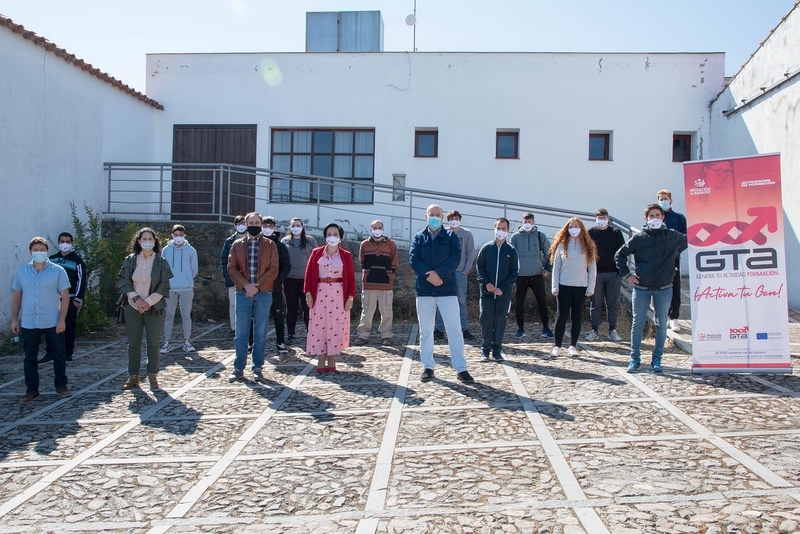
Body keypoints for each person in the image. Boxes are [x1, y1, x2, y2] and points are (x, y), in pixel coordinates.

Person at [615, 204, 687, 373]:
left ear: (663, 217)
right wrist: (627, 275)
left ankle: (657, 359)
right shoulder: (639, 238)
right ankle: (634, 359)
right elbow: (620, 255)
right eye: (651, 215)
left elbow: (691, 240)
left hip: (664, 288)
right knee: (637, 323)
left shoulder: (672, 236)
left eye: (657, 215)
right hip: (641, 288)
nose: (654, 218)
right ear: (646, 218)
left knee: (661, 324)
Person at [409, 204, 475, 384]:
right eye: (432, 214)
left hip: (446, 289)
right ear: (426, 216)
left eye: (438, 214)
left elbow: (455, 259)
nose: (435, 217)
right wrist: (429, 276)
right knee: (426, 331)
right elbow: (414, 260)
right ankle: (428, 367)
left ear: (443, 217)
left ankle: (461, 369)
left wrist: (439, 274)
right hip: (424, 291)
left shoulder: (452, 237)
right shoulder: (418, 237)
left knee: (454, 330)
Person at [11, 237, 72, 403]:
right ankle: (31, 389)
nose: (39, 253)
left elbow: (65, 297)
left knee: (58, 354)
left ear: (48, 251)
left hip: (52, 320)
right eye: (35, 250)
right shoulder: (22, 272)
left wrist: (62, 320)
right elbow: (17, 297)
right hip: (30, 321)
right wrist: (14, 319)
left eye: (42, 250)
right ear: (30, 252)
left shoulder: (58, 271)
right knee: (30, 356)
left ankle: (61, 385)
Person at [118, 228, 173, 390]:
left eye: (150, 238)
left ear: (155, 241)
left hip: (154, 306)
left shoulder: (161, 262)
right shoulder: (130, 260)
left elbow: (163, 286)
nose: (147, 241)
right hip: (133, 306)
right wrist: (136, 300)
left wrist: (147, 302)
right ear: (139, 241)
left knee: (153, 342)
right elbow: (125, 282)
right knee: (133, 342)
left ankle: (152, 375)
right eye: (144, 238)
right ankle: (133, 376)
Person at [227, 212, 279, 380]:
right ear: (246, 224)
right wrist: (246, 285)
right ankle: (238, 368)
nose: (255, 225)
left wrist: (257, 286)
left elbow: (273, 269)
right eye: (252, 222)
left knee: (260, 333)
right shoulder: (236, 245)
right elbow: (232, 268)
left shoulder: (270, 245)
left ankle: (257, 366)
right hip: (243, 293)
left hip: (263, 294)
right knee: (241, 334)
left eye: (258, 222)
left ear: (262, 225)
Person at [304, 223, 356, 373]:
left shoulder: (345, 255)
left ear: (340, 237)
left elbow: (351, 278)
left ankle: (332, 357)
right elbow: (308, 275)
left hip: (339, 294)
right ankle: (320, 357)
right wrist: (308, 293)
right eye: (329, 234)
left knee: (335, 326)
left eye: (335, 234)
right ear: (325, 236)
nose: (332, 237)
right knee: (319, 325)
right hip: (319, 293)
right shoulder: (316, 253)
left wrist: (350, 297)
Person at [549, 218, 597, 358]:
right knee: (561, 316)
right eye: (571, 226)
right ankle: (557, 346)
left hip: (580, 286)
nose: (574, 229)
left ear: (581, 228)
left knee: (576, 316)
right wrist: (554, 286)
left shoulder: (588, 246)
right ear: (567, 228)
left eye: (576, 226)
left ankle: (573, 346)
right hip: (564, 285)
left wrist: (591, 287)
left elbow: (593, 268)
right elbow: (556, 267)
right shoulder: (561, 245)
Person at [476, 218, 519, 361]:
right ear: (494, 228)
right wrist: (486, 283)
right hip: (487, 294)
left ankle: (497, 350)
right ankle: (485, 350)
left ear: (507, 230)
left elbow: (514, 272)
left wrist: (503, 288)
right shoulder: (486, 248)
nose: (500, 231)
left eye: (504, 228)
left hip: (503, 295)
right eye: (498, 227)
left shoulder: (511, 251)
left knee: (500, 321)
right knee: (486, 320)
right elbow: (479, 268)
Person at [43, 232, 87, 364]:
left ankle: (67, 352)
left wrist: (77, 299)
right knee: (50, 326)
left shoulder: (77, 260)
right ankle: (50, 352)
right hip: (52, 301)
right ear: (58, 243)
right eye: (62, 241)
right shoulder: (51, 259)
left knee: (68, 326)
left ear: (72, 243)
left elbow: (81, 280)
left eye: (68, 241)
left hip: (70, 298)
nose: (65, 244)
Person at [434, 210, 477, 340]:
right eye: (452, 218)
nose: (454, 220)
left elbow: (471, 252)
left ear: (460, 219)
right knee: (442, 301)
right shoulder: (442, 233)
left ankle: (464, 329)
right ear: (447, 220)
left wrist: (466, 269)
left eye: (456, 218)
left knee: (461, 302)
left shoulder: (467, 234)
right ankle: (439, 329)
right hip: (445, 272)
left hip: (460, 272)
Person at [510, 212, 554, 339]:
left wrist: (547, 268)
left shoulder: (540, 236)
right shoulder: (515, 237)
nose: (527, 224)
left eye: (529, 221)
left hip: (536, 274)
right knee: (519, 303)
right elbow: (511, 256)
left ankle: (546, 328)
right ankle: (520, 328)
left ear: (533, 222)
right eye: (525, 221)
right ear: (522, 222)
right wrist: (513, 272)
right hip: (521, 275)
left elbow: (549, 253)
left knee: (542, 302)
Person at [355, 220, 398, 346]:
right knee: (367, 311)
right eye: (375, 227)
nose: (377, 229)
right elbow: (362, 262)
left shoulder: (391, 244)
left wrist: (387, 273)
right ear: (371, 229)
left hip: (385, 283)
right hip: (369, 283)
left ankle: (386, 335)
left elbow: (394, 262)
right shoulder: (364, 244)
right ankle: (363, 335)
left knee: (386, 311)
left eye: (379, 227)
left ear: (383, 229)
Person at [586, 209, 625, 342]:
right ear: (595, 219)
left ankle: (612, 330)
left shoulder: (615, 232)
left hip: (613, 273)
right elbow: (586, 252)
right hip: (596, 273)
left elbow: (621, 252)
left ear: (608, 218)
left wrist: (620, 271)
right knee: (595, 303)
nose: (601, 220)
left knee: (612, 303)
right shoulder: (590, 232)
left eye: (604, 217)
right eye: (599, 217)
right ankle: (594, 330)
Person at [160, 224, 199, 354]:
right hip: (170, 288)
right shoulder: (166, 250)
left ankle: (187, 341)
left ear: (184, 236)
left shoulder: (191, 251)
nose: (178, 237)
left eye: (180, 235)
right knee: (169, 315)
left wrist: (187, 280)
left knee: (186, 315)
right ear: (172, 235)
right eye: (176, 235)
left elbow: (194, 269)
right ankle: (167, 342)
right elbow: (163, 268)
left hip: (186, 288)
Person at [282, 218, 318, 344]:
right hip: (289, 279)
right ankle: (291, 334)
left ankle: (311, 333)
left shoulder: (310, 240)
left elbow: (316, 259)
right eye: (293, 225)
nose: (296, 227)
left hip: (306, 279)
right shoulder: (285, 241)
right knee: (291, 307)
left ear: (302, 227)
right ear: (290, 227)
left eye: (298, 225)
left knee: (307, 307)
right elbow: (281, 260)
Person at [657, 189, 688, 333]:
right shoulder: (656, 217)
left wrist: (677, 251)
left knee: (674, 286)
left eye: (665, 198)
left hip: (674, 259)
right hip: (657, 260)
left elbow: (685, 238)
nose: (663, 201)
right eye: (660, 199)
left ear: (671, 200)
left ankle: (673, 317)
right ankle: (661, 316)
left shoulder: (679, 218)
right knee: (659, 287)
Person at [262, 216, 291, 354]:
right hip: (258, 287)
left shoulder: (280, 246)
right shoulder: (256, 243)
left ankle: (280, 342)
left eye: (270, 225)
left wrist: (279, 280)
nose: (267, 228)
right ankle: (252, 343)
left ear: (274, 227)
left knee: (278, 315)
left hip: (275, 287)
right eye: (265, 225)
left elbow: (286, 265)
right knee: (255, 316)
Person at [221, 215, 247, 337]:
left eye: (243, 223)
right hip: (233, 279)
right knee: (233, 304)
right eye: (238, 223)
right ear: (235, 226)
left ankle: (247, 328)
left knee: (248, 305)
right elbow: (224, 259)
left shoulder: (251, 239)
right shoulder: (229, 241)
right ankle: (233, 328)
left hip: (248, 279)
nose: (241, 225)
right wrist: (227, 275)